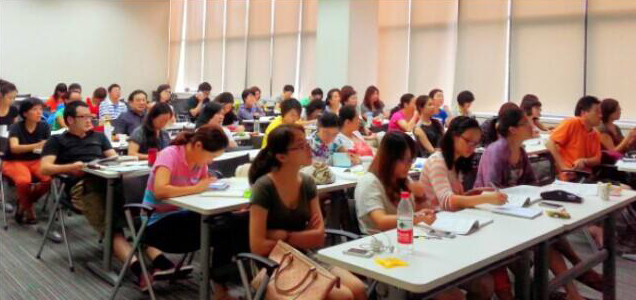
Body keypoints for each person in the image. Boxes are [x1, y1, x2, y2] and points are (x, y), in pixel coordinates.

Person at [41, 101, 178, 290]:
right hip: (83, 188)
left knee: (137, 218)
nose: (90, 120)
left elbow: (113, 158)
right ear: (70, 120)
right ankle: (140, 271)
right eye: (85, 117)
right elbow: (45, 168)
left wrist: (126, 160)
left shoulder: (98, 137)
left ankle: (161, 262)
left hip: (110, 183)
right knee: (113, 227)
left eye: (91, 116)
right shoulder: (56, 141)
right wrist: (70, 167)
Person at [474, 107, 601, 300]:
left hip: (515, 211)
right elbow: (492, 191)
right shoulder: (497, 151)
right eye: (526, 123)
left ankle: (572, 289)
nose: (532, 126)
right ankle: (575, 280)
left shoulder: (520, 151)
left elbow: (532, 184)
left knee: (551, 235)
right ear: (513, 130)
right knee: (547, 240)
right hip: (493, 215)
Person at [248, 124, 367, 300]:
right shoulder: (264, 187)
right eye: (301, 145)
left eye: (307, 142)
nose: (309, 148)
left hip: (305, 255)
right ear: (282, 156)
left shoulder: (307, 182)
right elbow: (258, 246)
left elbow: (319, 237)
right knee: (343, 296)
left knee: (358, 288)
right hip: (274, 263)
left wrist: (283, 236)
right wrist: (303, 236)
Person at [142, 125, 243, 299]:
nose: (211, 161)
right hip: (157, 222)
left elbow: (203, 187)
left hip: (185, 215)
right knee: (223, 228)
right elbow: (160, 190)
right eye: (211, 156)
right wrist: (196, 187)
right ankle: (220, 286)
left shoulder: (199, 160)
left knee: (230, 223)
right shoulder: (170, 154)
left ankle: (220, 284)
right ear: (198, 146)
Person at [420, 116, 507, 211]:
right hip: (434, 218)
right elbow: (447, 202)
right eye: (468, 141)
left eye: (475, 143)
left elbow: (452, 198)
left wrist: (468, 195)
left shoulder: (457, 161)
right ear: (454, 136)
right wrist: (486, 199)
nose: (472, 147)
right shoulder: (437, 161)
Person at [3, 98, 51, 224]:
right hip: (14, 161)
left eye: (41, 109)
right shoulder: (16, 127)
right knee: (24, 182)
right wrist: (37, 145)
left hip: (36, 160)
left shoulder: (44, 126)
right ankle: (30, 211)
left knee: (49, 179)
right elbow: (14, 148)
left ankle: (23, 204)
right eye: (35, 109)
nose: (39, 112)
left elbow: (48, 145)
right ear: (25, 113)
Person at [546, 96, 602, 182]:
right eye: (597, 112)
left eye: (601, 112)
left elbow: (597, 159)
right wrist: (563, 167)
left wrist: (584, 161)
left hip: (586, 177)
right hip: (569, 177)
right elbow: (549, 143)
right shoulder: (572, 123)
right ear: (584, 113)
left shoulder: (595, 133)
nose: (600, 115)